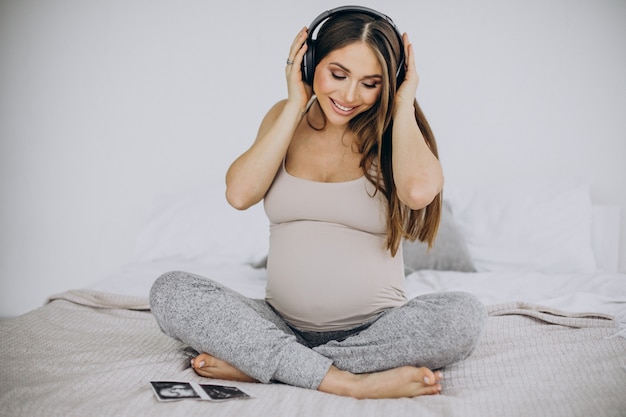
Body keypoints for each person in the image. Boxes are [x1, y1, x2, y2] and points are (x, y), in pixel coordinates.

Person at [150, 6, 486, 399]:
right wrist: (294, 104)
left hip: (376, 330)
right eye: (338, 75)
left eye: (370, 83)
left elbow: (417, 192)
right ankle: (346, 381)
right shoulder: (284, 117)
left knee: (464, 316)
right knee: (170, 290)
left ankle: (271, 364)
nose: (348, 95)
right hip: (277, 324)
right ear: (310, 64)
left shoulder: (397, 129)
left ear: (390, 83)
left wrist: (404, 102)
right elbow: (239, 194)